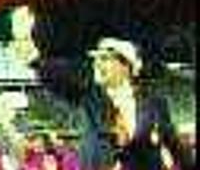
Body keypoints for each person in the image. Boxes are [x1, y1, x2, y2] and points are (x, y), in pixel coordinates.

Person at [31, 36, 189, 170]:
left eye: (105, 58)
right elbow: (55, 80)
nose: (97, 64)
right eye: (96, 59)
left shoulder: (154, 103)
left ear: (125, 66)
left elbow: (173, 142)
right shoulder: (89, 97)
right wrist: (35, 60)